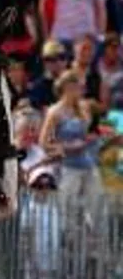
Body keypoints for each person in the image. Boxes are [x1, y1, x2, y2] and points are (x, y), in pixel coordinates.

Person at [40, 69, 101, 204]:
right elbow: (44, 143)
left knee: (95, 210)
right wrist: (66, 147)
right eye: (79, 86)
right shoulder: (54, 112)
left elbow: (86, 136)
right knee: (67, 212)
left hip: (89, 165)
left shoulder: (84, 108)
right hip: (67, 168)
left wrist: (91, 139)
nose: (82, 90)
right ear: (67, 87)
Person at [29, 40, 67, 108]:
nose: (58, 62)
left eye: (62, 57)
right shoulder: (38, 87)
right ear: (45, 62)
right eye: (53, 59)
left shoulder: (72, 82)